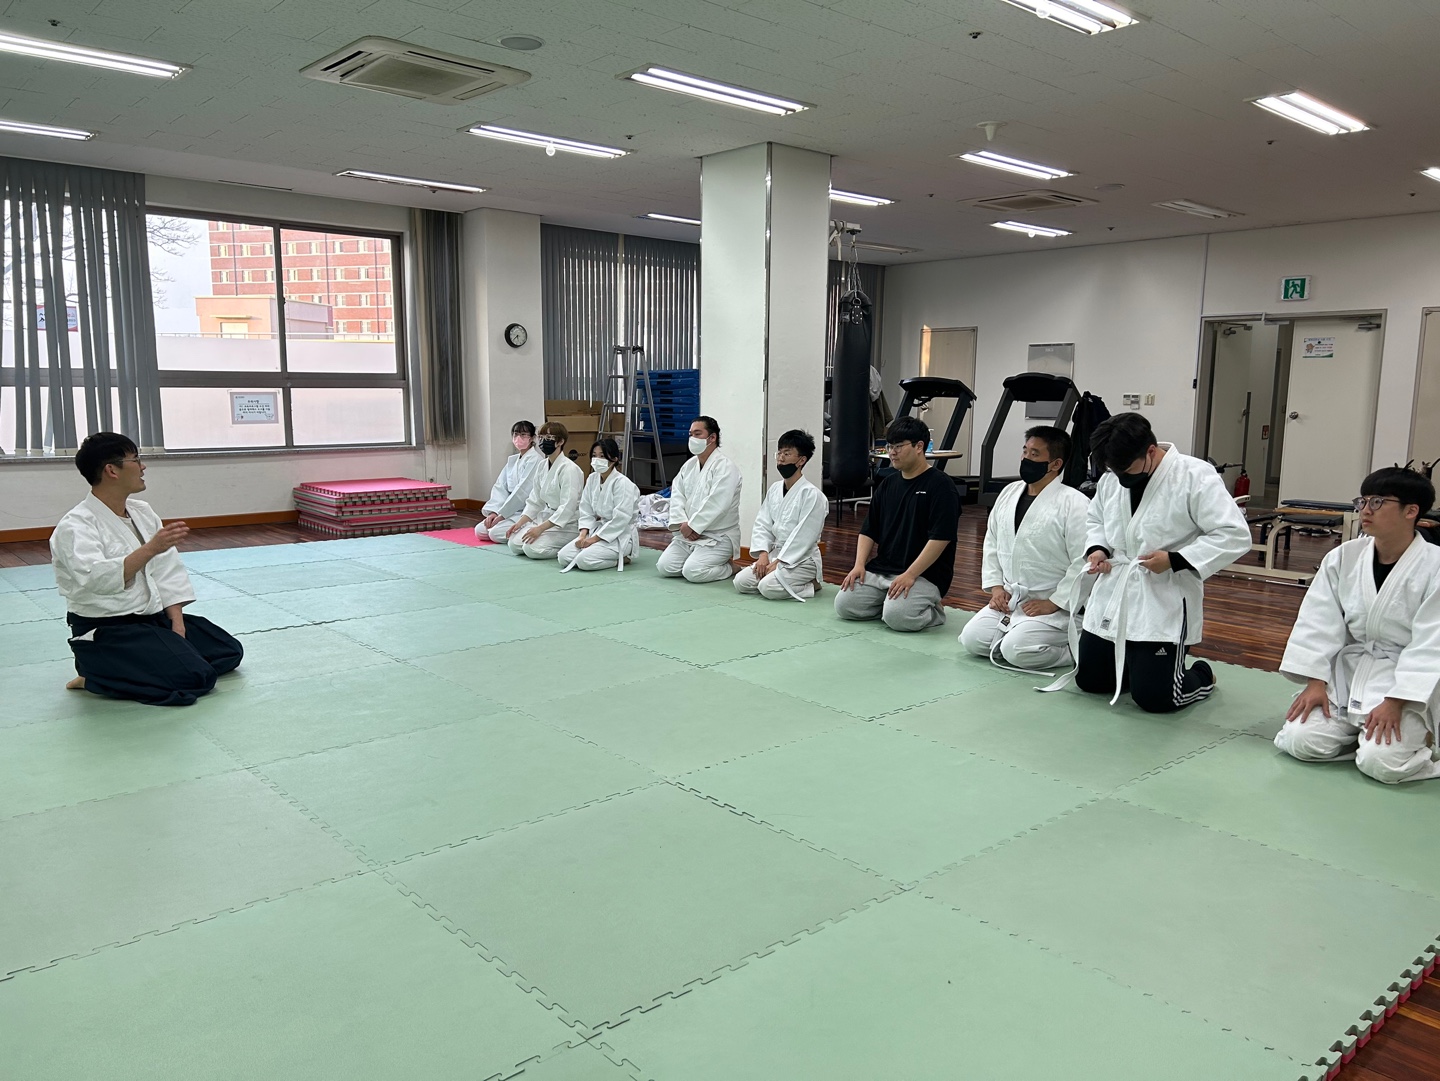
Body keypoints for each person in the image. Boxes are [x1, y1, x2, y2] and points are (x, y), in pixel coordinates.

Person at [1070, 413, 1250, 712]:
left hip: (1164, 592)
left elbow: (1234, 534)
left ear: (1151, 451)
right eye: (1114, 470)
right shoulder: (1112, 477)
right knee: (1090, 681)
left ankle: (1201, 675)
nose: (1120, 476)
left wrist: (1175, 559)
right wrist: (1099, 549)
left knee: (1156, 699)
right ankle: (1138, 668)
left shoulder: (1195, 475)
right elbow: (1096, 519)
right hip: (1116, 587)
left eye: (1126, 469)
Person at [49, 432, 243, 707]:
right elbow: (96, 579)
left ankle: (145, 660)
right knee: (196, 678)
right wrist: (151, 548)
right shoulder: (76, 525)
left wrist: (177, 624)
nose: (143, 466)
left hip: (152, 619)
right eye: (135, 459)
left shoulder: (142, 512)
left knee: (228, 651)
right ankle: (94, 672)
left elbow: (167, 570)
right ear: (112, 470)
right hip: (109, 629)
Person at [1273, 467, 1440, 783]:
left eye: (1378, 502)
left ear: (1411, 511)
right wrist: (1315, 681)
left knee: (1382, 765)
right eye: (1362, 501)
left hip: (1403, 681)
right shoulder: (1343, 557)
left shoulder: (1435, 566)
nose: (1365, 510)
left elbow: (1432, 644)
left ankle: (1414, 738)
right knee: (1298, 741)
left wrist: (1396, 701)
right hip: (1349, 673)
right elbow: (1317, 621)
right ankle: (1358, 735)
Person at [959, 426, 1088, 670]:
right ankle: (1018, 635)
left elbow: (1083, 561)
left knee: (1015, 650)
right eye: (1025, 451)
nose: (1026, 458)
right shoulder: (1009, 493)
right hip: (1012, 600)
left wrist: (1055, 602)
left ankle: (1073, 649)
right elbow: (992, 542)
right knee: (972, 640)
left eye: (1035, 454)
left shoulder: (1074, 503)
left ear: (1055, 464)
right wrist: (997, 588)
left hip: (1052, 605)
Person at [835, 416, 960, 631]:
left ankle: (932, 611)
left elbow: (940, 538)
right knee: (845, 606)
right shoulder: (888, 484)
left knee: (898, 618)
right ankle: (890, 604)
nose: (892, 452)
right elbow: (868, 530)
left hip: (923, 574)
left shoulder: (941, 486)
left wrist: (910, 574)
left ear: (919, 446)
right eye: (889, 446)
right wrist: (859, 565)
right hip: (883, 569)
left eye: (898, 446)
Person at [733, 429, 827, 601]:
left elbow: (804, 536)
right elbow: (763, 523)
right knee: (741, 582)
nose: (781, 458)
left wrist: (779, 562)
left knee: (767, 587)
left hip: (802, 558)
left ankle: (812, 584)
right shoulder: (775, 489)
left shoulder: (812, 495)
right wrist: (763, 555)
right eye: (780, 453)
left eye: (787, 453)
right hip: (775, 552)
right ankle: (782, 580)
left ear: (801, 460)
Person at [657, 416, 742, 583]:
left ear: (712, 438)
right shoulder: (689, 466)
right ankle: (696, 557)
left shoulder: (726, 467)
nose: (692, 438)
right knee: (665, 567)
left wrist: (694, 526)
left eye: (697, 434)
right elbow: (677, 496)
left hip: (718, 535)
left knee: (693, 572)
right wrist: (683, 523)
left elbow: (718, 503)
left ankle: (731, 567)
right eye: (691, 434)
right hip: (688, 533)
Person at [557, 438, 641, 572]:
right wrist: (582, 536)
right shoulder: (592, 478)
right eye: (594, 455)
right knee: (563, 557)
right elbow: (586, 510)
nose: (597, 459)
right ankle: (601, 552)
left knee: (584, 561)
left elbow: (621, 519)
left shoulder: (623, 483)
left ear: (614, 459)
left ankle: (621, 559)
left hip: (620, 535)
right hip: (598, 529)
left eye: (602, 456)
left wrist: (593, 540)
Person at [506, 421, 584, 559]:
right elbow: (535, 500)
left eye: (548, 438)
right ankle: (546, 538)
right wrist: (519, 523)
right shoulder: (542, 466)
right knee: (514, 544)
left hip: (568, 523)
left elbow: (567, 507)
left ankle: (568, 548)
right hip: (548, 516)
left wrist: (540, 529)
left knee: (531, 549)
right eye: (541, 437)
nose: (543, 441)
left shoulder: (569, 469)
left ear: (560, 441)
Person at [476, 420, 543, 543]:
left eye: (523, 435)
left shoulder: (535, 460)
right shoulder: (513, 461)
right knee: (480, 530)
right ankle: (513, 531)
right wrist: (494, 512)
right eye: (516, 434)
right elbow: (500, 487)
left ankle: (527, 529)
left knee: (495, 533)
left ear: (532, 438)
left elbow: (522, 491)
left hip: (526, 511)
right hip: (509, 510)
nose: (519, 438)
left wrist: (502, 515)